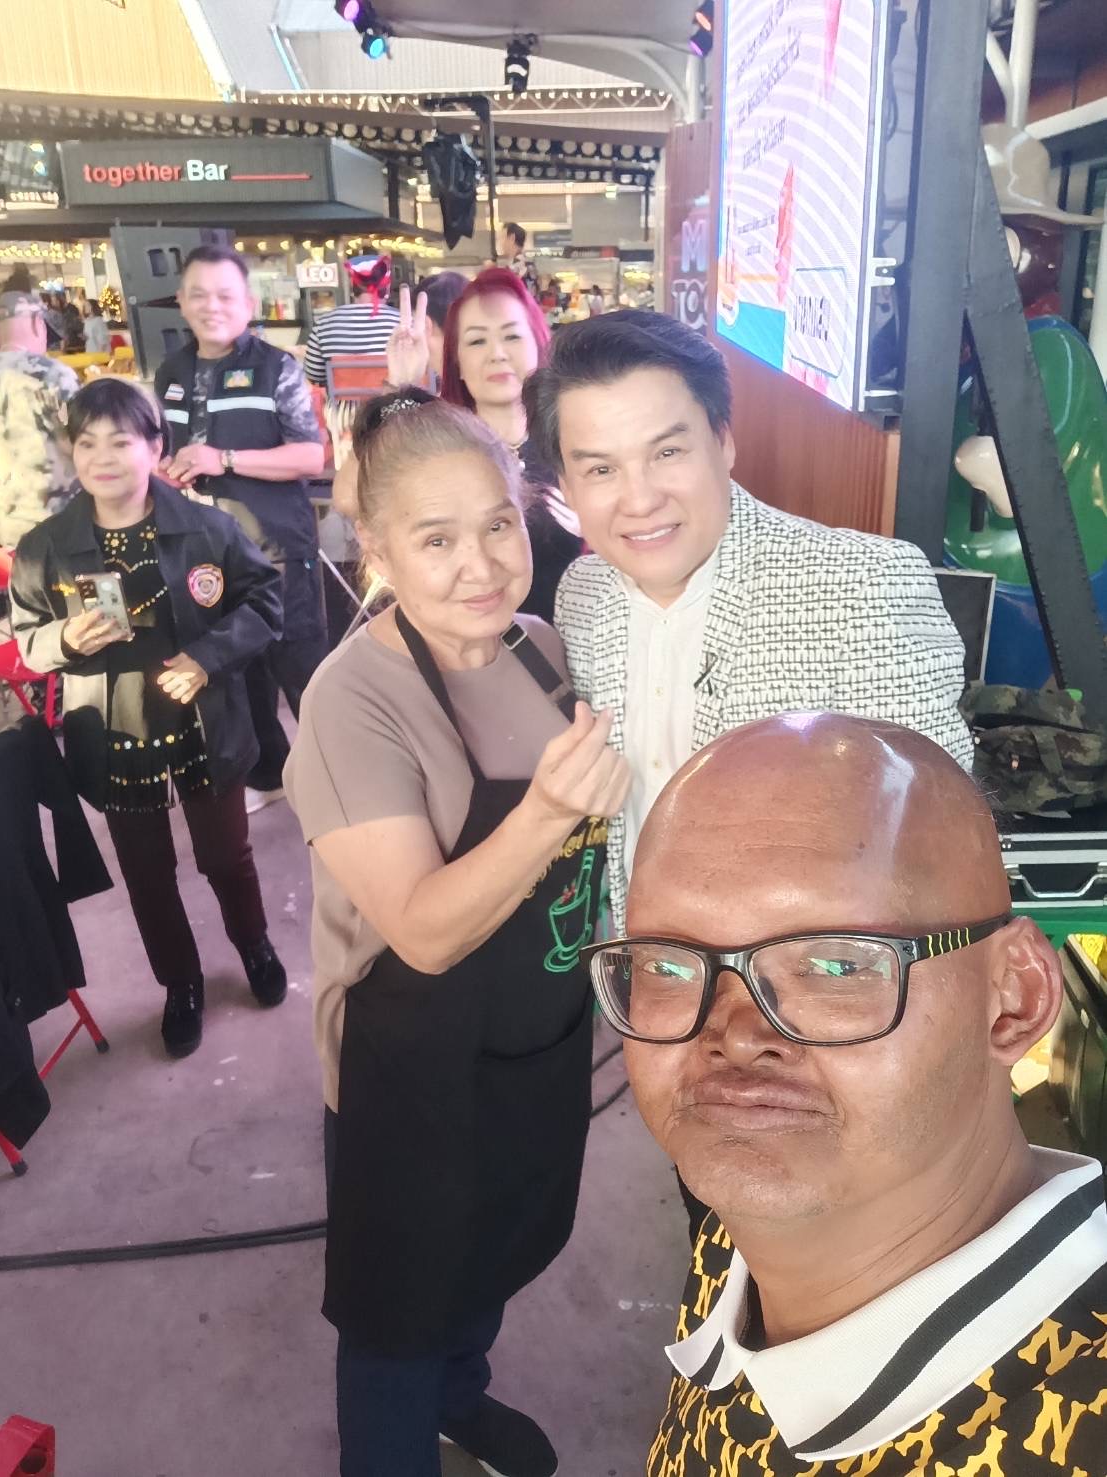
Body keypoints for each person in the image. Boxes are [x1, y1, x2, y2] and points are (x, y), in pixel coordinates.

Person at [586, 712, 1107, 1476]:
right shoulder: (741, 1239)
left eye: (835, 964)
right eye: (667, 962)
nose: (735, 1035)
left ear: (1014, 998)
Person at [284, 391, 629, 1477]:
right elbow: (425, 934)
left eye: (497, 524)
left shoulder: (541, 648)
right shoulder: (355, 702)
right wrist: (547, 814)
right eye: (435, 541)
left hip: (535, 1037)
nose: (480, 565)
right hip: (408, 1070)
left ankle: (459, 1395)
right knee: (398, 1308)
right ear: (378, 551)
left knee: (490, 1253)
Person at [527, 309, 974, 935]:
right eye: (601, 469)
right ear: (568, 487)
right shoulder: (583, 593)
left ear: (724, 441)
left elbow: (940, 840)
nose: (640, 499)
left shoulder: (862, 584)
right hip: (639, 968)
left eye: (668, 452)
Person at [10, 379, 287, 1059]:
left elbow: (264, 601)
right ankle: (181, 983)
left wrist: (208, 657)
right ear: (72, 452)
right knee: (147, 873)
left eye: (121, 441)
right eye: (87, 444)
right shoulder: (46, 547)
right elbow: (27, 640)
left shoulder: (210, 527)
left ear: (155, 446)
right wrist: (65, 639)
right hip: (116, 735)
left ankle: (253, 944)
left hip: (204, 723)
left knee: (227, 856)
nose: (103, 458)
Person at [154, 244, 325, 815]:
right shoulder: (171, 372)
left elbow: (310, 456)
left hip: (276, 547)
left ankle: (339, 775)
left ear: (248, 304)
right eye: (198, 294)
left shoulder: (277, 368)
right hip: (206, 554)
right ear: (181, 303)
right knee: (238, 670)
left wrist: (223, 460)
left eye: (225, 295)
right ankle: (268, 775)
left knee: (300, 668)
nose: (212, 306)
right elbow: (169, 449)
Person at [439, 267, 582, 622]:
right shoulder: (441, 453)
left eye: (512, 336)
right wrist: (399, 384)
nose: (497, 353)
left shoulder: (578, 444)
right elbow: (353, 499)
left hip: (578, 641)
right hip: (474, 644)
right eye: (477, 341)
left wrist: (598, 538)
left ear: (538, 345)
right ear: (457, 363)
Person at [0, 269, 78, 549]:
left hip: (4, 528)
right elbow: (80, 439)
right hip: (53, 523)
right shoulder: (54, 376)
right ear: (37, 324)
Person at [304, 254, 401, 389]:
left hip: (342, 403)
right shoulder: (404, 323)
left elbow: (314, 375)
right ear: (387, 286)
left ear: (352, 285)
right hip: (394, 402)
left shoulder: (324, 324)